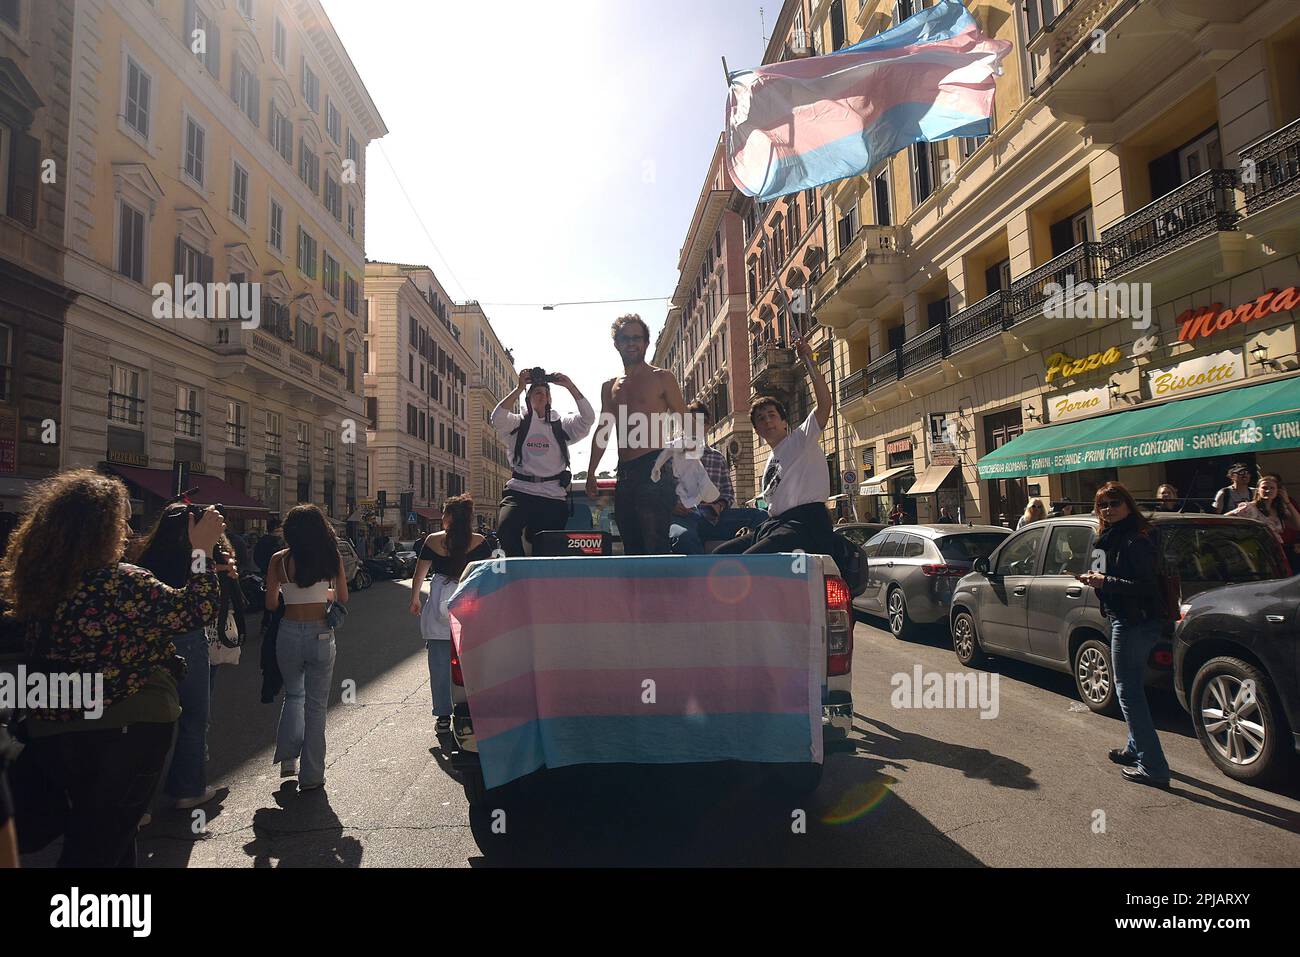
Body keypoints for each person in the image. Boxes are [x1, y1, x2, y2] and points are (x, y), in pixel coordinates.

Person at [1, 470, 224, 866]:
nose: (127, 528)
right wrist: (201, 552)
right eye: (121, 520)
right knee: (97, 846)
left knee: (110, 837)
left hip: (54, 727)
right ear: (104, 528)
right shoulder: (122, 582)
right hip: (126, 728)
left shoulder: (42, 583)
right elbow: (196, 610)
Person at [133, 503, 240, 810]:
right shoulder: (196, 557)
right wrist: (207, 558)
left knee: (149, 717)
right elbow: (198, 603)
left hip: (149, 641)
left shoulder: (147, 557)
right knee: (194, 717)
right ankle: (187, 788)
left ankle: (137, 800)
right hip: (188, 639)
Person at [1076, 482, 1171, 788]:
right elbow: (1109, 573)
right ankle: (1135, 747)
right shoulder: (1108, 537)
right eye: (1102, 504)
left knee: (1127, 691)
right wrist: (1098, 580)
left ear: (1128, 504)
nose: (1108, 509)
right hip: (1124, 618)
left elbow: (1145, 587)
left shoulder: (1134, 539)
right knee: (1130, 688)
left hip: (1136, 621)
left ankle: (1153, 766)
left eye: (1114, 503)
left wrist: (1106, 582)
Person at [715, 334, 836, 558]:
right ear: (757, 430)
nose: (767, 420)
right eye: (761, 419)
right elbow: (774, 502)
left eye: (772, 415)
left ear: (784, 421)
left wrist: (810, 361)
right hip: (776, 524)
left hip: (805, 523)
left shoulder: (801, 439)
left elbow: (825, 404)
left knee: (748, 561)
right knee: (720, 554)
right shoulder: (770, 460)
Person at [587, 314, 688, 555]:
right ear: (616, 343)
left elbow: (687, 422)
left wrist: (687, 480)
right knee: (632, 547)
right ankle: (639, 593)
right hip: (625, 474)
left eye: (636, 338)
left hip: (654, 467)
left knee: (655, 548)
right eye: (625, 338)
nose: (631, 343)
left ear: (645, 343)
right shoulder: (608, 387)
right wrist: (591, 472)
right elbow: (603, 430)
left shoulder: (662, 377)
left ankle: (661, 592)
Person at [265, 504, 348, 791]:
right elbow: (343, 596)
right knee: (316, 707)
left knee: (293, 695)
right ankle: (312, 776)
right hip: (320, 633)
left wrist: (292, 592)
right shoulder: (330, 556)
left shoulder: (278, 559)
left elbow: (271, 603)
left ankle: (288, 759)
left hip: (288, 632)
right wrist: (321, 592)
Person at [408, 495, 495, 735]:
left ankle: (443, 716)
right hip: (470, 608)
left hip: (439, 607)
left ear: (447, 517)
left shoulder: (433, 541)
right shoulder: (479, 542)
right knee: (472, 663)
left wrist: (415, 598)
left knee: (438, 667)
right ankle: (470, 708)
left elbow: (419, 573)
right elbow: (490, 576)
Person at [491, 368, 594, 557]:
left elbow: (588, 418)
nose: (542, 396)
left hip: (552, 495)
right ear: (528, 398)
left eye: (546, 393)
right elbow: (496, 418)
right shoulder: (516, 424)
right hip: (520, 491)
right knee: (505, 530)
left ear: (550, 399)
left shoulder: (561, 425)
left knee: (546, 546)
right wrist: (519, 387)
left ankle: (540, 580)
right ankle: (519, 574)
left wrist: (570, 386)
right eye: (537, 392)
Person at [669, 401, 767, 554]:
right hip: (683, 517)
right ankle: (700, 575)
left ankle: (757, 567)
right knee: (683, 538)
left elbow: (728, 493)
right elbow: (658, 489)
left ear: (708, 426)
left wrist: (719, 505)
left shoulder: (718, 458)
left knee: (760, 516)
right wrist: (672, 505)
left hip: (714, 518)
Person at [1230, 474, 1300, 547]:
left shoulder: (1278, 510)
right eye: (1264, 487)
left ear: (1278, 491)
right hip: (1255, 550)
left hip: (1273, 550)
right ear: (1258, 490)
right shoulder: (1249, 508)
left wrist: (1287, 502)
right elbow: (1223, 518)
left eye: (1272, 488)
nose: (1268, 490)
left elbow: (1297, 525)